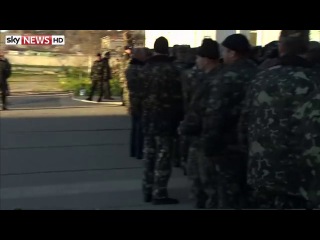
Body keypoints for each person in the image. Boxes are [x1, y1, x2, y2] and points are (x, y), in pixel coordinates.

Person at [240, 30, 320, 209]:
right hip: (304, 176)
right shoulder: (314, 81)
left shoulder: (260, 78)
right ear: (306, 47)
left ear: (281, 47)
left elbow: (244, 124)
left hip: (263, 170)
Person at [203, 34, 257, 209]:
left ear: (233, 53)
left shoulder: (225, 77)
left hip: (227, 147)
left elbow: (215, 114)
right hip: (253, 146)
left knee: (227, 195)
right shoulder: (259, 73)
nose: (222, 56)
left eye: (225, 51)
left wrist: (208, 145)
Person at [179, 38, 222, 208]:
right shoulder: (211, 77)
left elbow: (197, 110)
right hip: (203, 137)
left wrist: (185, 128)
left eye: (198, 57)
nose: (196, 61)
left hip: (204, 139)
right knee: (200, 182)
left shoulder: (211, 80)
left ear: (205, 58)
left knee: (206, 183)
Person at [140, 37, 183, 205]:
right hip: (166, 120)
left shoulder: (145, 69)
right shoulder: (173, 70)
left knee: (148, 155)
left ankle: (147, 189)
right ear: (167, 50)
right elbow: (179, 97)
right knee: (163, 157)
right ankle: (160, 193)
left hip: (148, 119)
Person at [125, 48, 149, 159]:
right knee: (140, 126)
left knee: (135, 126)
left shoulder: (130, 68)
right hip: (141, 99)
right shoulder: (141, 69)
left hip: (133, 99)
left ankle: (134, 150)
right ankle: (139, 151)